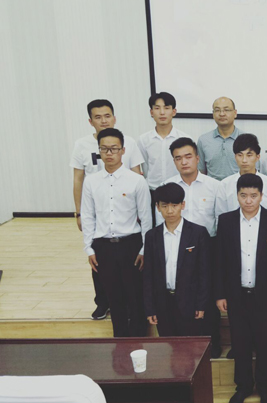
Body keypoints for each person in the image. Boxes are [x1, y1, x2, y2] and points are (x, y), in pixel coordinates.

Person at [215, 174, 267, 403]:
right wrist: (220, 294)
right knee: (240, 343)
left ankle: (266, 387)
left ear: (261, 196)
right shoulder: (226, 221)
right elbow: (219, 261)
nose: (248, 200)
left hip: (265, 295)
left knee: (265, 343)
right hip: (236, 294)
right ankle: (243, 386)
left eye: (253, 196)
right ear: (237, 195)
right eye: (243, 195)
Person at [71, 99, 143, 320]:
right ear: (90, 121)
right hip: (96, 206)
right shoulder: (81, 144)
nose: (103, 120)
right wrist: (79, 212)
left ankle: (129, 306)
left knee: (128, 265)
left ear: (114, 117)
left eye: (107, 115)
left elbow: (137, 173)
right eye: (98, 117)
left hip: (124, 207)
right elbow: (78, 178)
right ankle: (103, 302)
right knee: (99, 258)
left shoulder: (128, 142)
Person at [81, 128, 152, 337]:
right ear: (99, 151)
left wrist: (144, 249)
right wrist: (89, 248)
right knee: (113, 296)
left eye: (114, 148)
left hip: (131, 244)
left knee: (135, 295)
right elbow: (88, 216)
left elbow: (146, 217)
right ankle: (119, 340)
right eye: (104, 149)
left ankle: (139, 340)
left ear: (123, 150)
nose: (109, 153)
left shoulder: (136, 180)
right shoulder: (91, 181)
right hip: (103, 246)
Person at [162, 137, 224, 357]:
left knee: (207, 297)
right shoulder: (167, 187)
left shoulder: (214, 186)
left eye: (188, 156)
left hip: (208, 247)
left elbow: (220, 220)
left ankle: (212, 345)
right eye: (178, 158)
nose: (184, 162)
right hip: (177, 247)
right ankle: (183, 347)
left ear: (197, 158)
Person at [142, 183, 210, 337]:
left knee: (191, 345)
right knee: (168, 344)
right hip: (162, 302)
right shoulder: (152, 236)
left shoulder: (198, 233)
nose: (170, 211)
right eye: (165, 206)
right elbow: (148, 275)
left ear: (182, 205)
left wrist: (201, 304)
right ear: (157, 207)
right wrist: (150, 308)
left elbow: (204, 272)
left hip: (190, 302)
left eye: (174, 205)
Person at [137, 92, 191, 217]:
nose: (162, 113)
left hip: (178, 191)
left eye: (166, 108)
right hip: (152, 192)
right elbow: (145, 167)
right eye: (157, 108)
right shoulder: (143, 140)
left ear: (174, 111)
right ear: (151, 112)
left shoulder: (184, 138)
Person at [217, 133, 267, 214]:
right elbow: (221, 216)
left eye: (249, 155)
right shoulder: (225, 185)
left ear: (257, 157)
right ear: (235, 157)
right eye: (240, 155)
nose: (244, 160)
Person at [197, 97, 246, 181]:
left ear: (235, 113)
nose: (222, 114)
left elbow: (253, 170)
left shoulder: (246, 139)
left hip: (239, 187)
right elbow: (201, 171)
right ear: (213, 114)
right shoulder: (203, 140)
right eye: (217, 110)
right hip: (212, 188)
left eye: (226, 110)